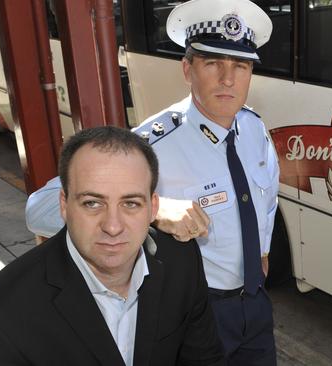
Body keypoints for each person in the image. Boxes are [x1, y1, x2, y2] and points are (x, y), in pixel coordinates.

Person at [25, 0, 280, 364]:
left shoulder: (254, 128)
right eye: (213, 64)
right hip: (197, 312)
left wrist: (263, 252)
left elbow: (268, 194)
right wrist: (152, 210)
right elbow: (40, 210)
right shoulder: (151, 145)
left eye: (240, 66)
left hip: (255, 305)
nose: (228, 79)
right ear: (187, 69)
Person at [0, 126, 225, 365]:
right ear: (64, 205)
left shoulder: (180, 261)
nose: (112, 226)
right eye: (92, 203)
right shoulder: (2, 311)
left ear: (153, 207)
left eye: (130, 203)